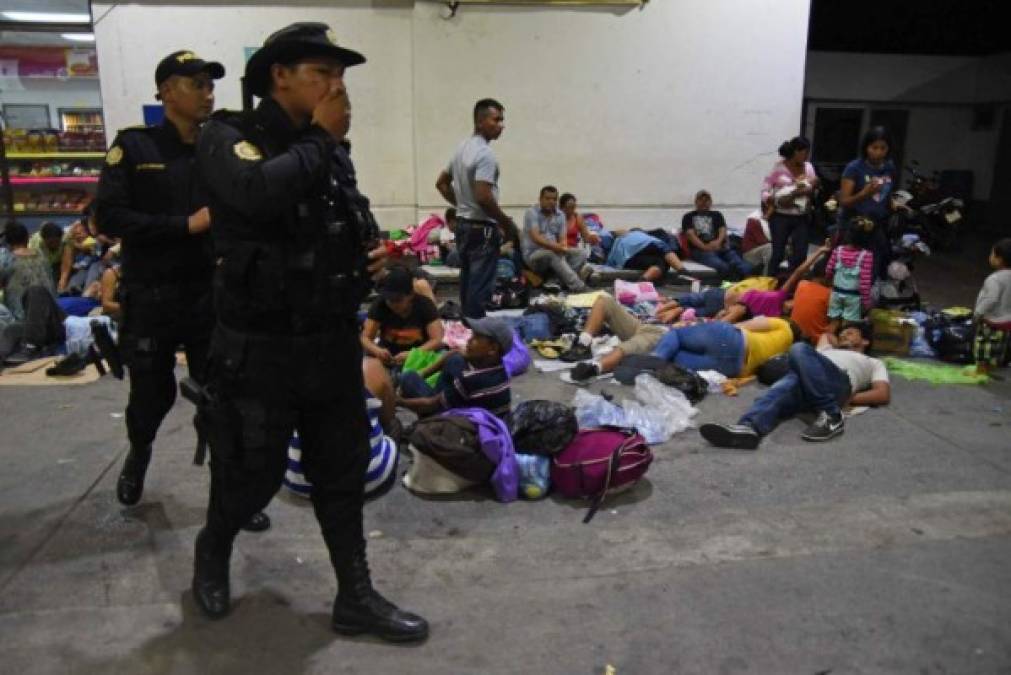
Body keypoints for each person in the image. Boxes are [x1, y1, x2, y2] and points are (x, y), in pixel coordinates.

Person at [193, 22, 426, 640]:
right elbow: (256, 195)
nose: (335, 87)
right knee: (251, 476)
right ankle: (213, 548)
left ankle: (355, 595)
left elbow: (346, 217)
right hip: (259, 349)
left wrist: (371, 253)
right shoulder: (229, 137)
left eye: (340, 76)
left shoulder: (329, 150)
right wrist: (323, 137)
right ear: (280, 75)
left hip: (328, 342)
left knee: (340, 472)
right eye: (322, 73)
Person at [94, 50, 269, 529]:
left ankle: (233, 494)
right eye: (197, 84)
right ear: (168, 91)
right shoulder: (135, 148)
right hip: (151, 296)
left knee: (222, 398)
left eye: (210, 84)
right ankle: (139, 453)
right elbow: (106, 217)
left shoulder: (221, 149)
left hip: (208, 296)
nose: (208, 92)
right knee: (152, 395)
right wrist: (184, 225)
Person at [699, 323, 890, 449]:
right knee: (784, 385)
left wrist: (849, 399)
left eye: (850, 333)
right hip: (808, 384)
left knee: (798, 349)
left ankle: (832, 414)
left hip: (837, 383)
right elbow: (826, 334)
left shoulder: (872, 361)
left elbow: (882, 393)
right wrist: (839, 337)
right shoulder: (826, 349)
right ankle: (749, 429)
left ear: (865, 341)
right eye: (842, 333)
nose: (843, 335)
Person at [436, 99, 519, 319]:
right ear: (480, 122)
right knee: (480, 289)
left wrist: (462, 205)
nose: (501, 125)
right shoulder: (485, 155)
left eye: (502, 120)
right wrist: (506, 222)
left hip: (463, 225)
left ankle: (466, 330)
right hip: (482, 230)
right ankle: (475, 336)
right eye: (496, 119)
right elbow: (484, 196)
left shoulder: (461, 148)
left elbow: (441, 183)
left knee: (467, 284)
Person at [285, 358, 401, 501]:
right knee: (394, 425)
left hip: (299, 482)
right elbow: (388, 418)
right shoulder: (371, 368)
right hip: (368, 480)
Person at [398, 316, 512, 422]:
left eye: (476, 338)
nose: (469, 340)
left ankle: (427, 424)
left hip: (463, 429)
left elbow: (430, 404)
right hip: (480, 417)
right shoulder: (500, 368)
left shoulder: (471, 380)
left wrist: (398, 402)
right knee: (455, 358)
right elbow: (456, 352)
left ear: (492, 349)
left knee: (408, 378)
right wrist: (422, 373)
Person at [561, 292, 674, 379]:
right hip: (646, 324)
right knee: (604, 301)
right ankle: (583, 345)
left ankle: (594, 368)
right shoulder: (685, 302)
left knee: (625, 348)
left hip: (662, 334)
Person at [0, 222, 66, 364]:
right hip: (53, 319)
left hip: (24, 324)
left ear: (7, 242)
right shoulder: (42, 257)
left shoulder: (6, 259)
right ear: (27, 239)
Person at [650, 315, 798, 378]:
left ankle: (653, 360)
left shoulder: (784, 325)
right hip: (734, 368)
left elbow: (746, 325)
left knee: (677, 335)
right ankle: (651, 367)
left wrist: (718, 327)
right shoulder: (789, 354)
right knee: (675, 359)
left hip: (733, 339)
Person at [838, 126, 896, 279]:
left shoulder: (889, 167)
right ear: (866, 147)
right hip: (855, 227)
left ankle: (870, 299)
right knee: (853, 271)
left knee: (875, 267)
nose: (878, 152)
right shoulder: (854, 168)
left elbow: (886, 192)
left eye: (883, 148)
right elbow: (844, 201)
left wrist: (892, 203)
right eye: (874, 147)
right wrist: (864, 194)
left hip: (877, 225)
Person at [361, 265, 443, 367]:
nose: (393, 305)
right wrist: (377, 351)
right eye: (389, 300)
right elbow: (365, 338)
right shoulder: (380, 305)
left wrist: (413, 354)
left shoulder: (425, 305)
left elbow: (437, 339)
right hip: (388, 357)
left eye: (398, 300)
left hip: (417, 357)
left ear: (411, 295)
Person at [762, 137, 817, 276]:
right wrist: (773, 199)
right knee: (779, 252)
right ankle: (771, 281)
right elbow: (765, 189)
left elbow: (813, 187)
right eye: (803, 152)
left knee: (800, 253)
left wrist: (807, 191)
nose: (806, 156)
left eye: (807, 153)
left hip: (801, 216)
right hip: (780, 216)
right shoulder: (778, 167)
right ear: (794, 152)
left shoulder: (809, 167)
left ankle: (792, 283)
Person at [521, 186, 589, 292]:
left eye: (554, 199)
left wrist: (562, 247)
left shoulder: (560, 215)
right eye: (547, 199)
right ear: (540, 199)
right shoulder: (531, 213)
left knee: (581, 253)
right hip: (533, 255)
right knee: (551, 253)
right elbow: (536, 237)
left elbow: (563, 239)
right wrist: (557, 247)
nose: (551, 202)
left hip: (555, 251)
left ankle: (555, 281)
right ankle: (578, 286)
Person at [681, 190, 753, 279]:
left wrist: (717, 242)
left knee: (742, 265)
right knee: (722, 266)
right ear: (696, 202)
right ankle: (730, 284)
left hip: (719, 247)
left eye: (706, 200)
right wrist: (705, 247)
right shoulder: (688, 217)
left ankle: (750, 284)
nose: (704, 202)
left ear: (710, 202)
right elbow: (690, 234)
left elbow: (722, 230)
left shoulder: (717, 215)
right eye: (701, 200)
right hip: (700, 250)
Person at [826, 218, 875, 325]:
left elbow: (829, 270)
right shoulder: (866, 255)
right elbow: (865, 283)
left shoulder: (837, 251)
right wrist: (866, 304)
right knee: (847, 327)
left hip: (835, 293)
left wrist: (830, 283)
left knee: (832, 325)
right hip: (853, 297)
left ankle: (828, 340)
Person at [973, 238, 1011, 375]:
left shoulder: (994, 279)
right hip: (1007, 321)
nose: (990, 256)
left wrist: (978, 313)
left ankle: (980, 370)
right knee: (998, 346)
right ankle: (991, 367)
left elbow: (991, 299)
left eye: (992, 254)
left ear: (999, 259)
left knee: (983, 346)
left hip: (991, 320)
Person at [605, 228, 686, 282]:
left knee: (659, 262)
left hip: (627, 261)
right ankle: (683, 271)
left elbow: (609, 263)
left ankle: (643, 281)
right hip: (640, 247)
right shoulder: (637, 234)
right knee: (663, 248)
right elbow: (661, 246)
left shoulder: (613, 249)